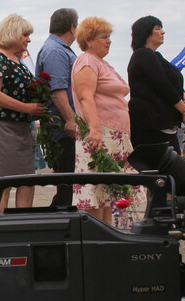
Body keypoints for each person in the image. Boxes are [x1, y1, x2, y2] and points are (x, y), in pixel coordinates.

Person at [70, 17, 138, 227]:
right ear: (89, 39)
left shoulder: (101, 62)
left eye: (110, 37)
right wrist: (95, 130)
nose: (109, 41)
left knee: (109, 193)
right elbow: (85, 97)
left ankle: (110, 234)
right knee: (96, 193)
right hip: (101, 135)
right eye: (104, 37)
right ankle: (96, 238)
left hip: (115, 136)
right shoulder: (87, 62)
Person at [0, 14, 45, 211]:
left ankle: (21, 228)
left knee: (26, 181)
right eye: (25, 34)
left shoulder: (15, 60)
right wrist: (27, 108)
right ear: (12, 33)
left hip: (19, 128)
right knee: (1, 184)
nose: (28, 39)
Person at [127, 16, 185, 154]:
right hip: (151, 128)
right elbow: (163, 85)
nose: (162, 32)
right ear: (146, 33)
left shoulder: (157, 57)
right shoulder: (143, 55)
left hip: (166, 128)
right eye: (157, 29)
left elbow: (175, 83)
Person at [34, 8, 79, 207]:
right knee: (67, 181)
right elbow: (58, 90)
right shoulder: (55, 51)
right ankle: (60, 221)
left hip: (62, 124)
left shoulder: (58, 48)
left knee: (68, 182)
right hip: (62, 127)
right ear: (72, 27)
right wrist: (71, 119)